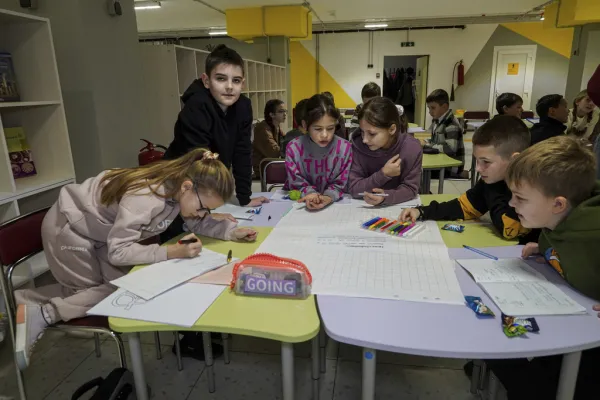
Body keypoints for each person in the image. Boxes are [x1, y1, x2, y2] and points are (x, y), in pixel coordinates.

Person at [14, 149, 258, 370]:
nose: (203, 213)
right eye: (204, 207)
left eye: (209, 210)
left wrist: (230, 232)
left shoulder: (176, 189)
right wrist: (170, 252)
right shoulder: (146, 198)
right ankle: (44, 314)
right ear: (186, 187)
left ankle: (18, 301)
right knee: (99, 294)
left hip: (101, 234)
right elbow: (118, 253)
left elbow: (197, 220)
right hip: (69, 230)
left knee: (121, 289)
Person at [486, 135, 600, 399]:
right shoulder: (556, 220)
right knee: (496, 351)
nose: (512, 204)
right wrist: (548, 250)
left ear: (558, 204)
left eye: (520, 198)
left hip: (591, 345)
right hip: (569, 321)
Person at [400, 116, 537, 243]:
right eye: (476, 160)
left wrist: (493, 188)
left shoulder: (534, 190)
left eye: (486, 162)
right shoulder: (492, 180)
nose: (477, 169)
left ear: (514, 160)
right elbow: (464, 206)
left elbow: (508, 229)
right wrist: (422, 211)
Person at [163, 44, 268, 208]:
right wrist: (207, 208)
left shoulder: (243, 106)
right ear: (206, 80)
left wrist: (244, 198)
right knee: (183, 229)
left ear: (243, 84)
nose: (229, 86)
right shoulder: (196, 106)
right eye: (220, 78)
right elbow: (198, 159)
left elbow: (242, 152)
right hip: (178, 180)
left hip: (209, 181)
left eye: (236, 80)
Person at [348, 97, 422, 205]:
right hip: (361, 208)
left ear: (392, 129)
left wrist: (386, 197)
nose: (364, 140)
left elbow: (411, 188)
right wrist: (383, 174)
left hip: (398, 209)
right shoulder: (357, 146)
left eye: (372, 134)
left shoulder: (412, 148)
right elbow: (354, 188)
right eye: (362, 132)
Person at [284, 94, 353, 211]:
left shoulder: (345, 148)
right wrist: (310, 194)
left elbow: (341, 183)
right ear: (305, 125)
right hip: (300, 205)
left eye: (330, 128)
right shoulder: (294, 148)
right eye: (318, 129)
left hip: (335, 206)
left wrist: (327, 197)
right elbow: (297, 182)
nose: (325, 135)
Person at [422, 89, 465, 176]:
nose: (430, 112)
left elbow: (450, 149)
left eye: (433, 108)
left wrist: (429, 145)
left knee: (418, 171)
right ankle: (424, 189)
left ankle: (424, 189)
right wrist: (426, 142)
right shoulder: (437, 120)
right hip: (441, 160)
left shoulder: (451, 124)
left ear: (444, 107)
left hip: (451, 167)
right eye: (429, 108)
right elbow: (437, 141)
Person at [252, 99, 287, 177]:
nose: (285, 114)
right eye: (281, 111)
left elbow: (285, 142)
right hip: (265, 168)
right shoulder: (262, 129)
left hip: (272, 165)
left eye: (285, 111)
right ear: (271, 114)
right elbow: (274, 152)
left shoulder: (276, 126)